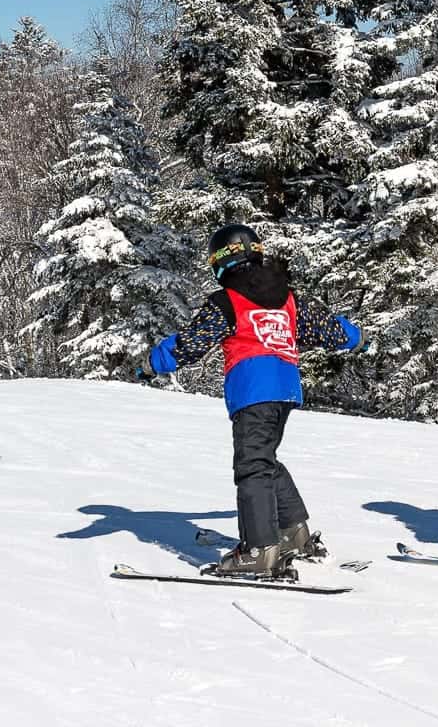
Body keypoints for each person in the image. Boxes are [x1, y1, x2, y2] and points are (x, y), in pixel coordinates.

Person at [138, 224, 361, 579]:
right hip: (286, 388)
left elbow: (191, 343)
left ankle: (260, 550)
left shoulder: (227, 300)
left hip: (252, 389)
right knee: (264, 459)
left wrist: (153, 362)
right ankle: (293, 532)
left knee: (252, 466)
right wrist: (353, 336)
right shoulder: (288, 297)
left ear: (220, 261)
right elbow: (332, 330)